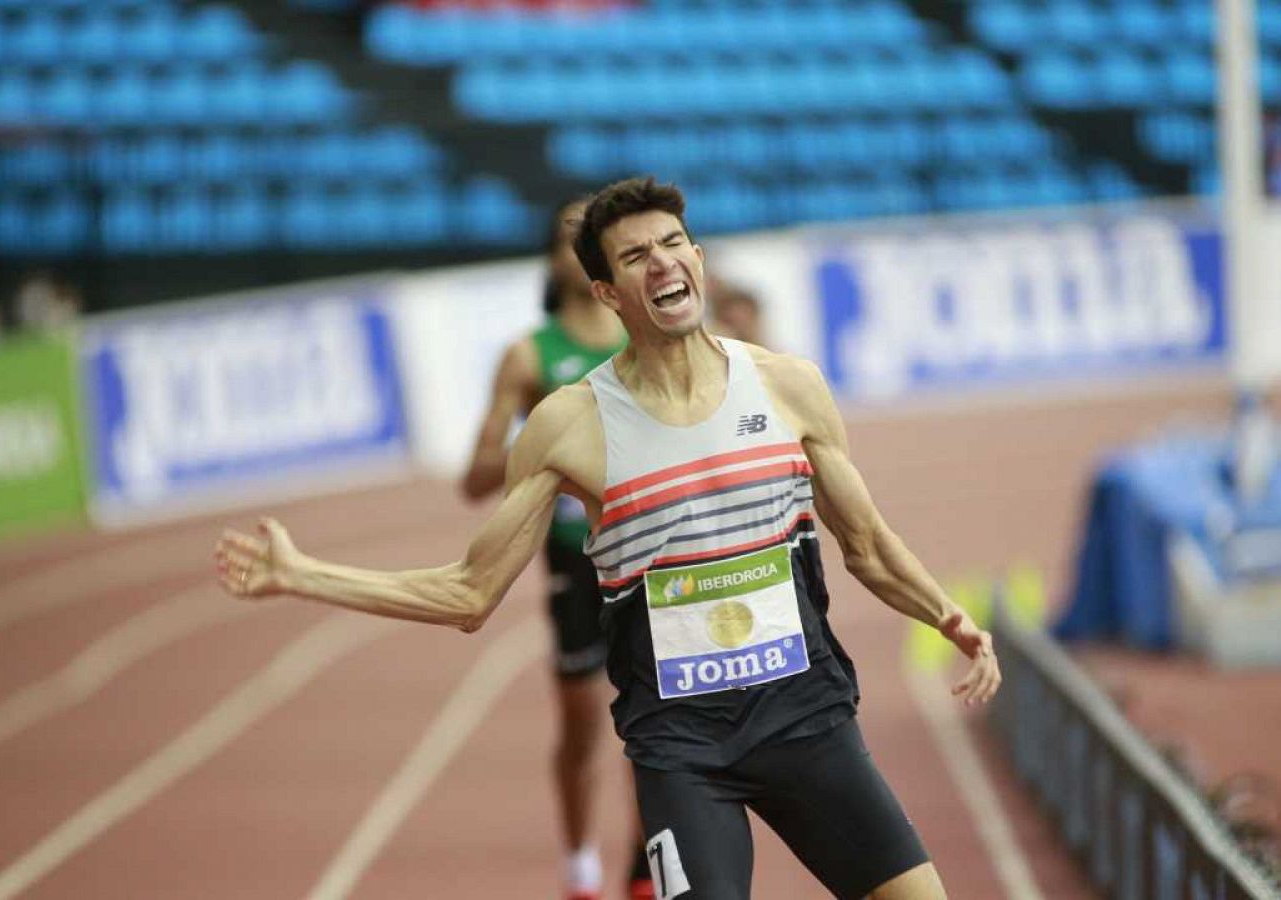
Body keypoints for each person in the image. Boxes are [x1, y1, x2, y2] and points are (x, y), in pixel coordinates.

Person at [216, 177, 1000, 899]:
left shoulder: (789, 386)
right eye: (635, 256)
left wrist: (948, 617)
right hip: (685, 754)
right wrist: (302, 574)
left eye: (672, 245)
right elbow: (468, 592)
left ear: (698, 259)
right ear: (607, 291)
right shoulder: (572, 424)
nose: (660, 264)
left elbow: (866, 543)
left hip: (808, 724)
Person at [460, 198, 649, 900]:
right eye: (567, 237)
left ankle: (642, 865)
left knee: (655, 720)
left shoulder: (648, 335)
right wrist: (535, 449)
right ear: (550, 259)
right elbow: (475, 480)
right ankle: (579, 866)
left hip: (650, 546)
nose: (579, 247)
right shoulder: (529, 354)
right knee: (580, 726)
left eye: (589, 236)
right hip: (576, 555)